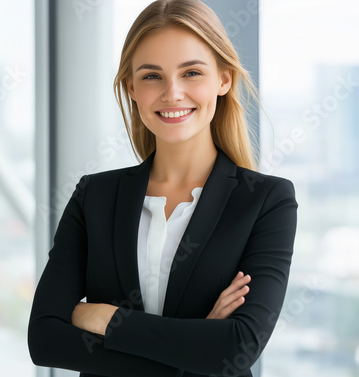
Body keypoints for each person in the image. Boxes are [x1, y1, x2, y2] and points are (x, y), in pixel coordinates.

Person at [28, 0, 298, 376]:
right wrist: (196, 343)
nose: (172, 93)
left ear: (224, 79)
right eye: (152, 76)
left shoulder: (265, 202)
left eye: (191, 73)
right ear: (132, 88)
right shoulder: (95, 196)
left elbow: (237, 346)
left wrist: (107, 319)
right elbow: (44, 340)